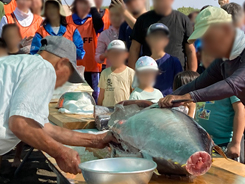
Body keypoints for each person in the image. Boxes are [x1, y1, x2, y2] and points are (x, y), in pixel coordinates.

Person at [0, 36, 115, 175]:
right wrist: (60, 152)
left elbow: (45, 128)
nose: (62, 83)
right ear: (62, 63)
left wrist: (95, 140)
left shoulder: (18, 64)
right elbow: (20, 123)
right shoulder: (43, 67)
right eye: (67, 76)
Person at [158, 7, 245, 108]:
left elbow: (233, 85)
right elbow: (197, 84)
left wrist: (189, 96)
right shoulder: (222, 61)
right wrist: (170, 97)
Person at [195, 52, 245, 161]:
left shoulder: (230, 84)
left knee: (226, 176)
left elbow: (240, 110)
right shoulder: (202, 82)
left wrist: (236, 143)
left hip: (224, 145)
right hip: (203, 143)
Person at [129, 0, 197, 71]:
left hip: (176, 75)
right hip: (148, 74)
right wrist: (132, 76)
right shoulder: (142, 20)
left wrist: (192, 75)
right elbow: (134, 49)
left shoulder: (183, 20)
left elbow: (190, 51)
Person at [67, 0, 104, 102]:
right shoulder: (67, 21)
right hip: (73, 69)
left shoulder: (93, 21)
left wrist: (92, 6)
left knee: (93, 101)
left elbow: (100, 26)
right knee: (73, 100)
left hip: (92, 69)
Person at [146, 23, 182, 96]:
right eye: (155, 36)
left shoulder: (174, 61)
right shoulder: (143, 62)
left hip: (170, 104)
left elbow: (180, 86)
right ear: (148, 39)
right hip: (148, 104)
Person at [98, 40, 134, 107]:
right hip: (107, 110)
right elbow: (101, 94)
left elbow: (134, 94)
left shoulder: (130, 73)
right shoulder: (104, 73)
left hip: (123, 110)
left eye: (118, 53)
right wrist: (99, 108)